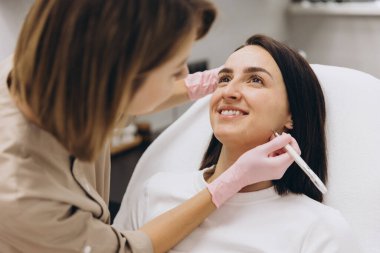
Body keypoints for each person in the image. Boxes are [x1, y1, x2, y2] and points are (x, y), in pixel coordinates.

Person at [0, 1, 300, 253]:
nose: (186, 74)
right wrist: (227, 183)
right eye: (174, 69)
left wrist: (206, 83)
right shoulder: (24, 191)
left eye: (255, 80)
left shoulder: (61, 71)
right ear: (120, 79)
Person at [123, 35, 361, 252]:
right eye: (224, 79)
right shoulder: (155, 193)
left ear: (293, 115)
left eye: (255, 80)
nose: (229, 91)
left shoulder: (319, 230)